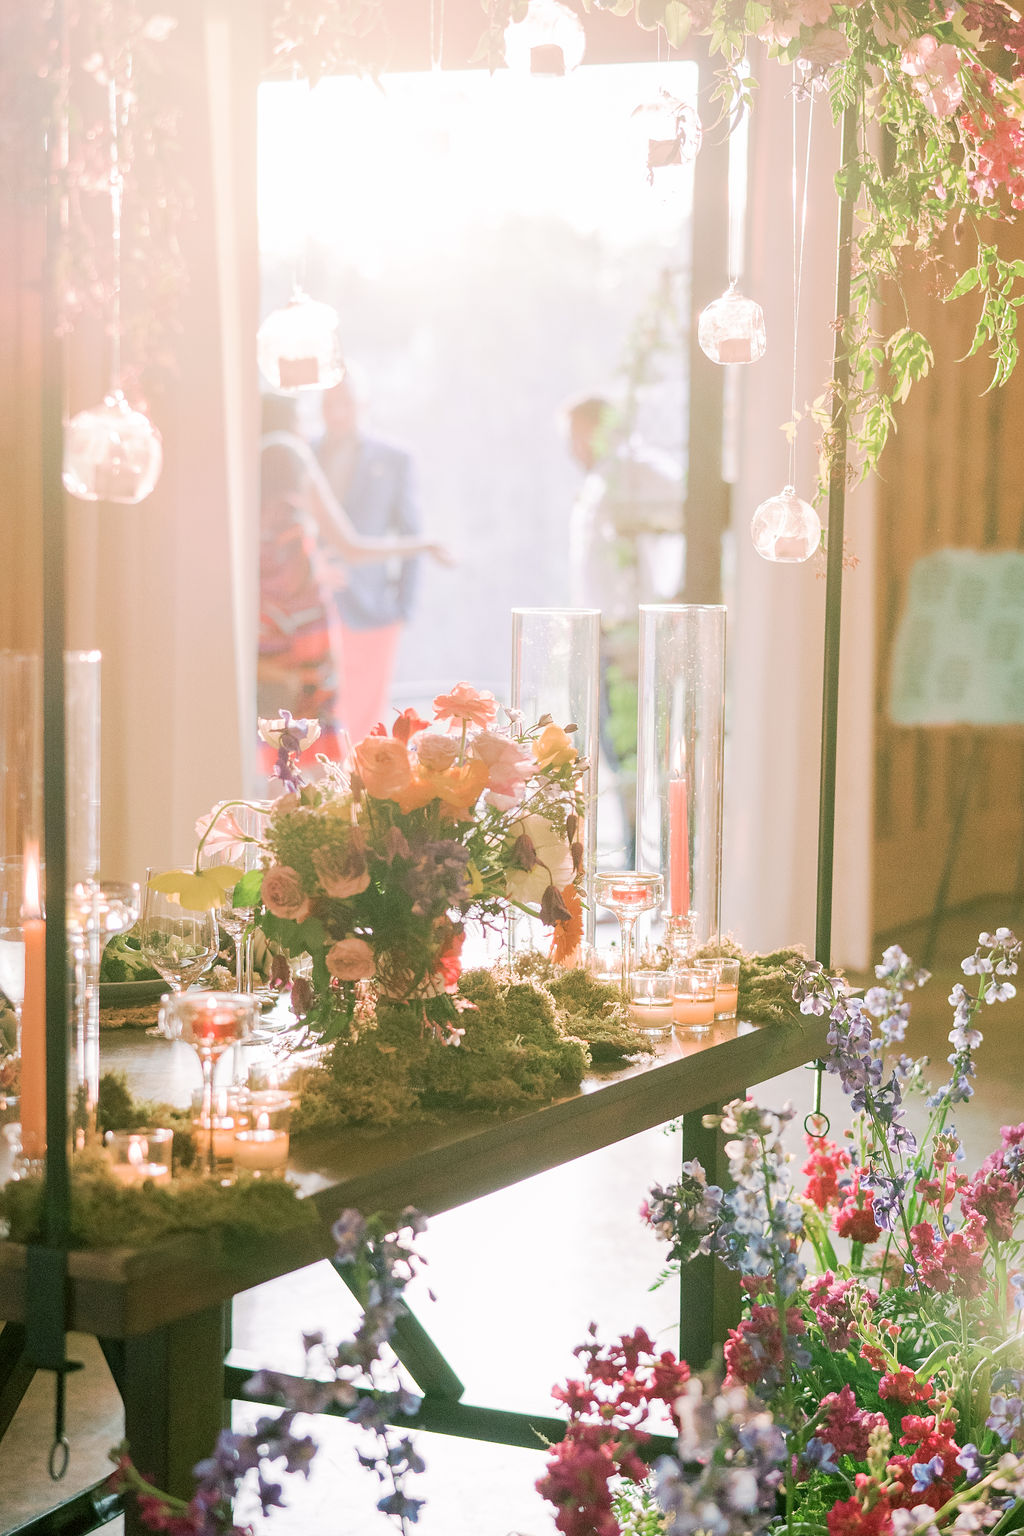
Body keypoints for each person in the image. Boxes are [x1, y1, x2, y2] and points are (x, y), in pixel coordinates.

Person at [258, 393, 448, 758]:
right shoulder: (293, 454)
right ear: (288, 423)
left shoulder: (250, 461)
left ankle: (271, 792)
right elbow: (351, 548)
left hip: (263, 615)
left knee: (273, 726)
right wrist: (423, 545)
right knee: (312, 724)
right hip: (302, 613)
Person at [564, 394, 684, 862]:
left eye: (575, 435)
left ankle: (646, 865)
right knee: (613, 756)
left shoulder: (639, 472)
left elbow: (685, 522)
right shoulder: (600, 481)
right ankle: (630, 861)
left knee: (636, 754)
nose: (571, 447)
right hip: (604, 637)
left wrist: (665, 604)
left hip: (632, 638)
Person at [315, 376, 426, 745]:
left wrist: (402, 608)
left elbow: (411, 536)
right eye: (329, 404)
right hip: (310, 608)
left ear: (364, 404)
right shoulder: (302, 452)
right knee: (312, 726)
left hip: (372, 612)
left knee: (364, 731)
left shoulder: (395, 459)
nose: (337, 412)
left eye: (345, 403)